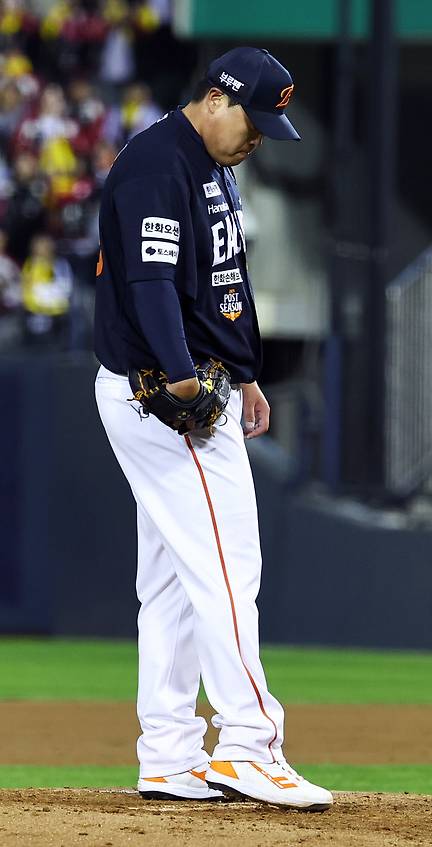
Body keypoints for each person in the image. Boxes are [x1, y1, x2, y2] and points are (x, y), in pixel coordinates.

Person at [94, 47, 333, 811]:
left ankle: (169, 753)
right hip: (166, 394)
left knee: (173, 578)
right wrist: (184, 376)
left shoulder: (208, 162)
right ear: (216, 99)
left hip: (193, 378)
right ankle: (250, 744)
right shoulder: (157, 165)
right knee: (230, 566)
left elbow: (219, 280)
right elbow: (151, 284)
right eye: (253, 122)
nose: (258, 138)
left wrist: (246, 370)